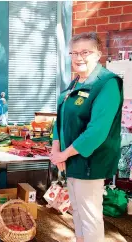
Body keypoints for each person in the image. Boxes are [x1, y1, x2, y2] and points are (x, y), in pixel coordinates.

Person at [50, 32, 123, 242]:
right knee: (78, 212)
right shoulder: (76, 83)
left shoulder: (107, 83)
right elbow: (61, 118)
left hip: (90, 162)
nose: (78, 57)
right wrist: (56, 150)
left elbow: (96, 131)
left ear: (98, 54)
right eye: (73, 53)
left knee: (90, 216)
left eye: (85, 52)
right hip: (71, 159)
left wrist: (64, 154)